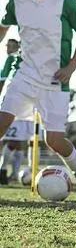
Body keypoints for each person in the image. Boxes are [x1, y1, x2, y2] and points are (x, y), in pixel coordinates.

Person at [0, 0, 76, 197]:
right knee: (1, 122)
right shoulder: (16, 0)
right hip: (24, 74)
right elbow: (3, 28)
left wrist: (71, 67)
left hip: (55, 80)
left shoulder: (66, 0)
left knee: (54, 140)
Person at [0, 39, 30, 184]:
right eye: (7, 45)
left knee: (18, 142)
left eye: (12, 46)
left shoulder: (19, 59)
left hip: (24, 102)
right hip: (12, 103)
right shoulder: (11, 60)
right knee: (12, 140)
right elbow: (2, 79)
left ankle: (14, 173)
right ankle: (3, 169)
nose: (9, 48)